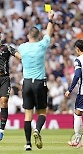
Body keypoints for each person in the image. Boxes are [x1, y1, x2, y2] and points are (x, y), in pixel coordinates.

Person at [18, 10, 54, 151]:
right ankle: (37, 130)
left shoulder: (22, 47)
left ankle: (28, 144)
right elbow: (49, 32)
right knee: (42, 113)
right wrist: (50, 19)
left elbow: (18, 55)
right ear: (39, 36)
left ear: (28, 36)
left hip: (26, 83)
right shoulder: (42, 45)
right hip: (40, 83)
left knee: (28, 115)